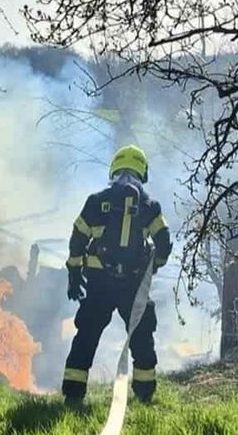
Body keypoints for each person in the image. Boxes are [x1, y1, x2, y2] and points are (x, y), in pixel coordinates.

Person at [62, 145, 171, 408]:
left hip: (99, 284)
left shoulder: (95, 202)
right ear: (142, 172)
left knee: (86, 336)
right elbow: (164, 242)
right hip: (133, 285)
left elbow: (77, 239)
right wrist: (153, 267)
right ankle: (144, 395)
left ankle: (73, 395)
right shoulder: (150, 206)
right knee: (142, 336)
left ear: (115, 170)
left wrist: (74, 273)